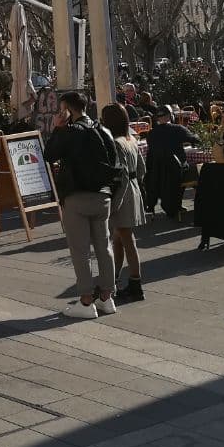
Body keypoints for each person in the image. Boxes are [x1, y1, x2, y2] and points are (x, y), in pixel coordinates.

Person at [45, 91, 119, 320]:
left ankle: (86, 301)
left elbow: (49, 154)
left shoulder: (70, 132)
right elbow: (114, 161)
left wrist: (57, 128)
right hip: (102, 196)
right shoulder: (103, 130)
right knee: (104, 247)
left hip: (77, 196)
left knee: (80, 251)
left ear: (67, 110)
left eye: (61, 109)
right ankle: (107, 297)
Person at [99, 104, 146, 303]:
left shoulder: (116, 143)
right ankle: (116, 278)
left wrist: (115, 204)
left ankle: (135, 283)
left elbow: (123, 175)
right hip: (133, 190)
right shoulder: (132, 139)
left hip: (122, 194)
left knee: (126, 239)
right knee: (120, 239)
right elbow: (142, 169)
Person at [146, 105, 200, 170]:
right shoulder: (179, 129)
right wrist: (196, 134)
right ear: (171, 116)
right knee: (198, 167)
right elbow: (196, 140)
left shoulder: (151, 133)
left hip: (158, 170)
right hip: (178, 169)